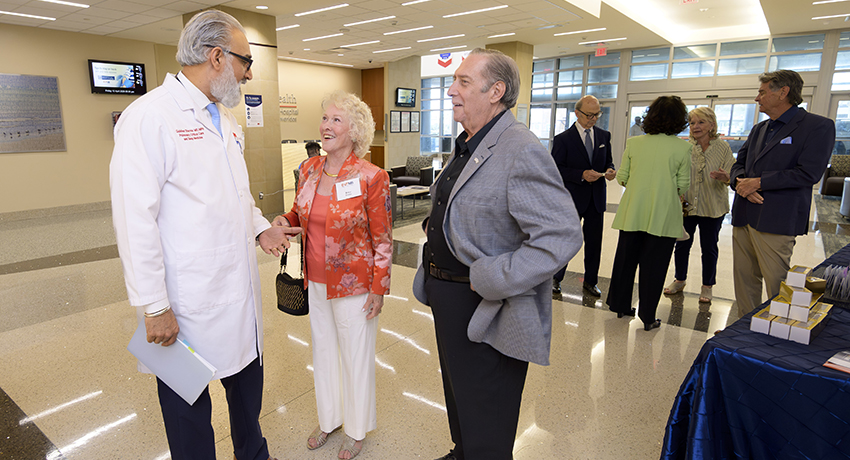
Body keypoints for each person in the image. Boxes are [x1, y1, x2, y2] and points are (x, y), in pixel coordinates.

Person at [110, 10, 299, 460]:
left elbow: (236, 196)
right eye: (245, 62)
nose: (249, 74)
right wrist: (154, 307)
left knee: (247, 393)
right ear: (216, 57)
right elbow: (134, 220)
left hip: (237, 294)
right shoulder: (149, 118)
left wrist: (260, 229)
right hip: (184, 299)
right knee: (188, 411)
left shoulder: (225, 119)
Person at [411, 48, 581, 460]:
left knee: (487, 407)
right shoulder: (470, 142)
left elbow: (561, 235)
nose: (451, 90)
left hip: (486, 302)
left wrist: (493, 276)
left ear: (496, 91)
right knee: (460, 394)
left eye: (463, 81)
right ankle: (462, 450)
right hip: (447, 296)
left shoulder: (520, 147)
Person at [273, 90, 392, 460]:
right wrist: (284, 221)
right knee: (323, 352)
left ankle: (355, 430)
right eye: (325, 118)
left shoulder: (372, 177)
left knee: (355, 355)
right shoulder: (309, 169)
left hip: (355, 284)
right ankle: (329, 419)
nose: (326, 125)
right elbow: (299, 212)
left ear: (354, 131)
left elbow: (383, 239)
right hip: (316, 279)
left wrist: (379, 288)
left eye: (336, 120)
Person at [730, 70, 835, 317]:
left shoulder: (818, 126)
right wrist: (741, 184)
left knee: (777, 283)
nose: (757, 98)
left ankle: (777, 328)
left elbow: (809, 173)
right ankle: (745, 328)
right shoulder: (759, 128)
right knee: (744, 279)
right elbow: (739, 164)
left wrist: (759, 183)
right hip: (744, 214)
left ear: (783, 92)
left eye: (762, 92)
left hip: (777, 218)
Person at [606, 96, 691, 331]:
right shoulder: (683, 148)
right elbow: (682, 185)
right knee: (655, 267)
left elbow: (622, 177)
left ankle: (620, 305)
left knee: (625, 261)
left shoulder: (634, 143)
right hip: (664, 213)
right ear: (680, 120)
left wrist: (639, 186)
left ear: (650, 116)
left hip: (633, 211)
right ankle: (647, 316)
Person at [663, 107, 735, 303]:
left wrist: (725, 177)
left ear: (712, 125)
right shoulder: (685, 147)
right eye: (692, 123)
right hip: (687, 206)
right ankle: (680, 280)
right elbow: (675, 173)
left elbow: (732, 175)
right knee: (682, 245)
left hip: (713, 207)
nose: (695, 126)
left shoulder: (723, 148)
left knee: (709, 247)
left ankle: (707, 286)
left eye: (701, 122)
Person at [550, 95, 615, 297]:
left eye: (597, 115)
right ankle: (555, 278)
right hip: (572, 198)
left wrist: (610, 170)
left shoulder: (604, 136)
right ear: (577, 113)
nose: (593, 119)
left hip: (596, 198)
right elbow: (555, 169)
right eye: (589, 115)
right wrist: (581, 174)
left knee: (594, 243)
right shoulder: (563, 139)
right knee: (566, 240)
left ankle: (591, 281)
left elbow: (608, 161)